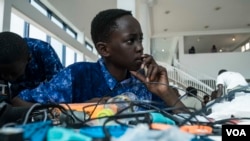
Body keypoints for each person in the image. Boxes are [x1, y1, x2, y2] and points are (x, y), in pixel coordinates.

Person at [12, 9, 187, 113]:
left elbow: (192, 124)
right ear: (104, 49)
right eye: (130, 41)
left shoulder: (146, 82)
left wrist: (165, 92)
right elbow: (19, 102)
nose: (140, 47)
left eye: (140, 40)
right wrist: (77, 108)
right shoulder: (78, 75)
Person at [0, 31, 64, 105]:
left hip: (40, 94)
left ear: (29, 59)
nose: (9, 78)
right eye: (2, 73)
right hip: (16, 96)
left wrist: (26, 103)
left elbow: (59, 88)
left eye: (13, 73)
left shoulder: (44, 51)